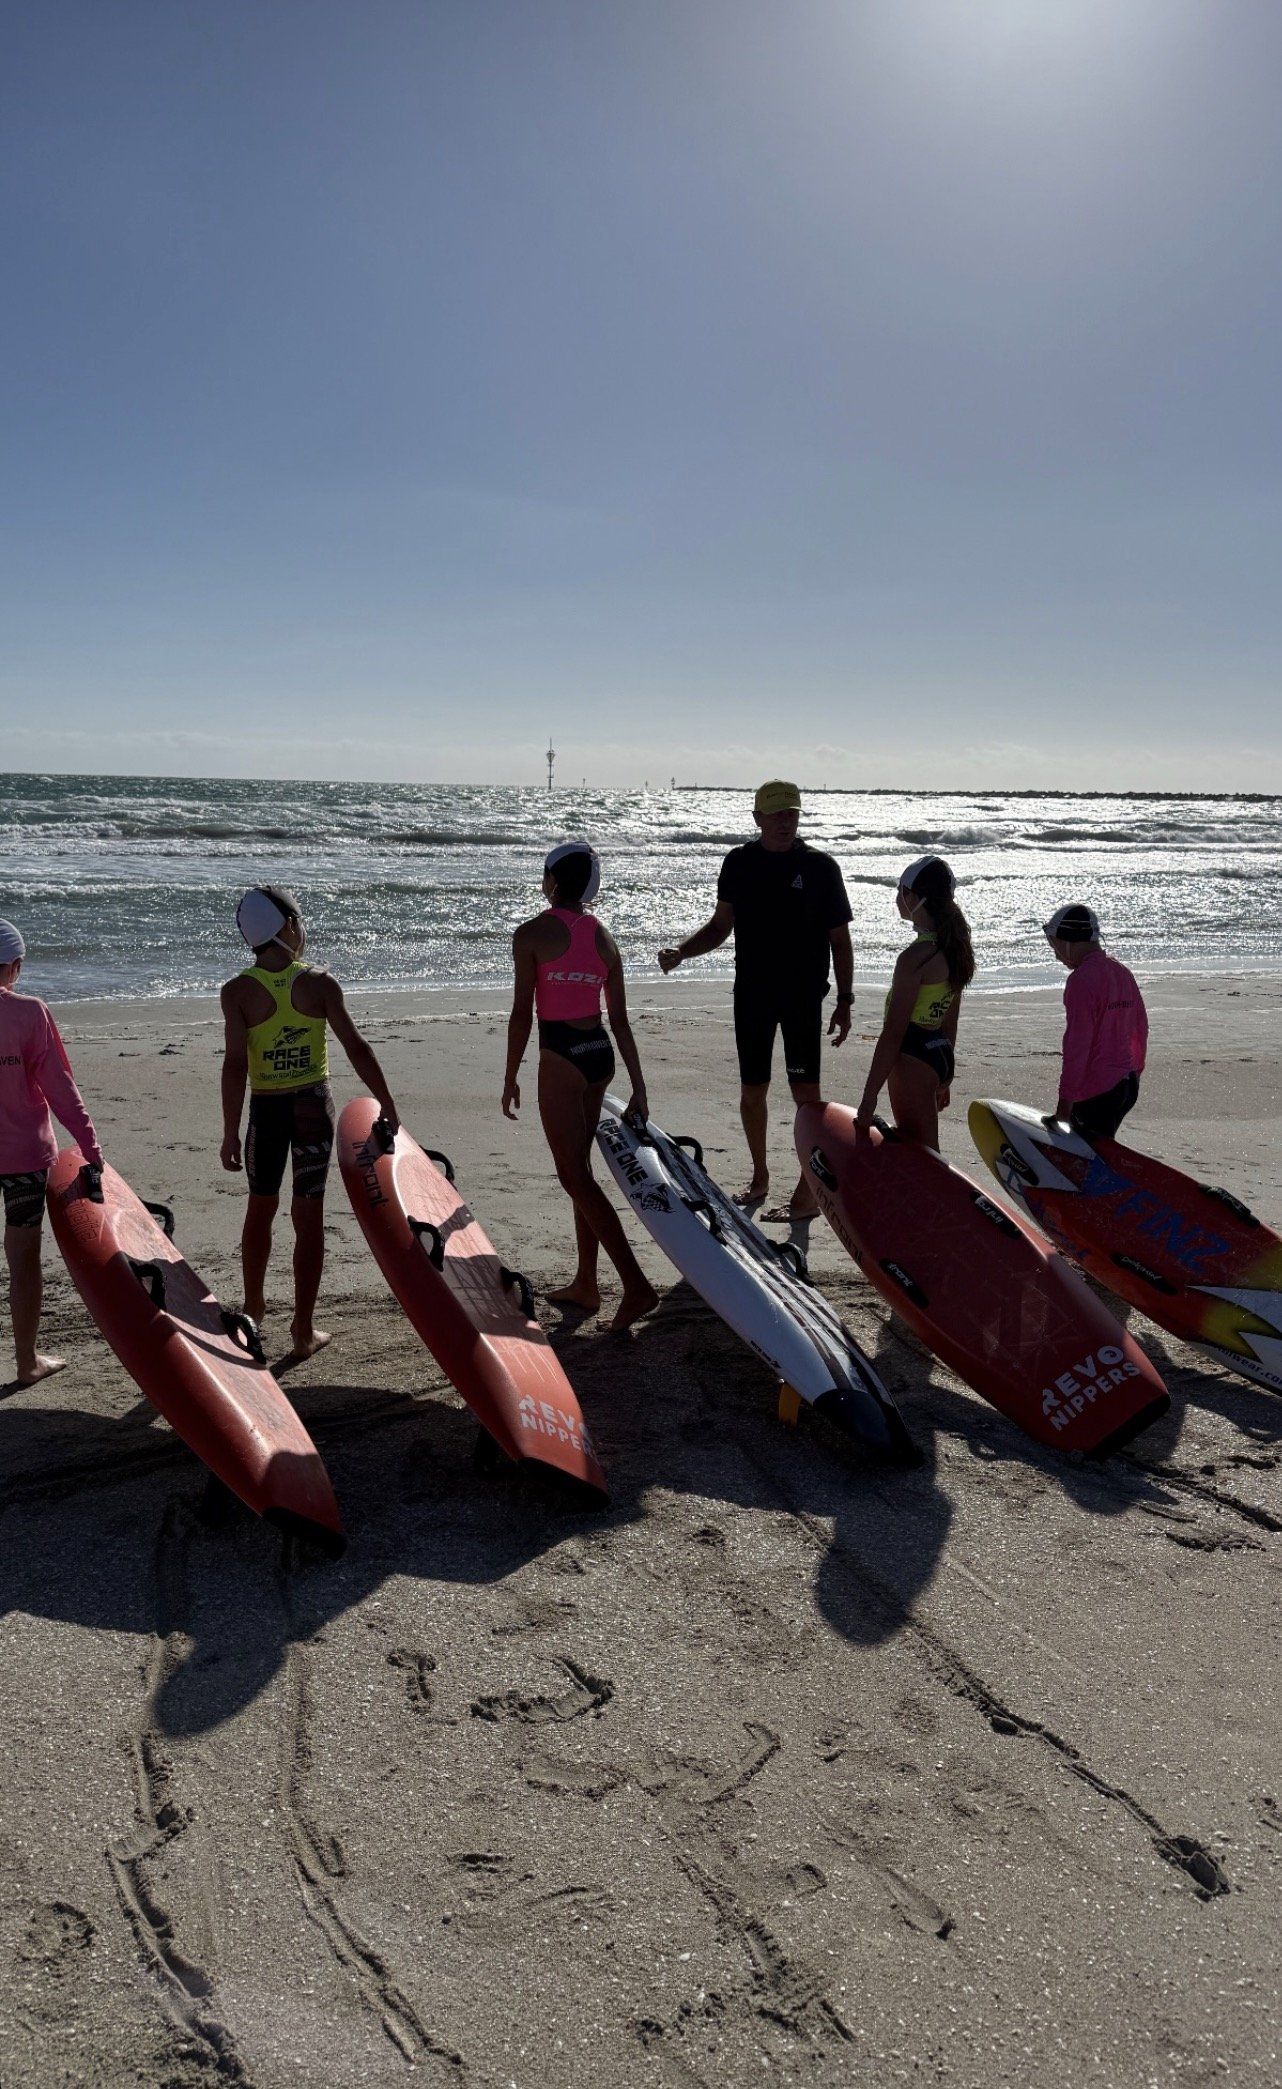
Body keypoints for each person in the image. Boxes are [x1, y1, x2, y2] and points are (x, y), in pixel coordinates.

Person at [658, 780, 853, 1219]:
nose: (786, 821)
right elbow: (719, 925)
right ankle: (760, 1175)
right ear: (757, 818)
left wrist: (845, 998)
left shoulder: (820, 867)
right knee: (753, 1091)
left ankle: (807, 1192)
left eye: (793, 813)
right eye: (777, 813)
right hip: (752, 995)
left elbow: (840, 940)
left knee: (807, 1096)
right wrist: (683, 951)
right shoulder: (740, 863)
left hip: (803, 997)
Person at [220, 885, 399, 1361]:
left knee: (260, 1208)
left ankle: (254, 1308)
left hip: (266, 1112)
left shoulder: (237, 991)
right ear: (288, 928)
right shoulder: (319, 983)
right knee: (308, 1217)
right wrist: (386, 1101)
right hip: (311, 1109)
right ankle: (303, 1328)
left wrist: (229, 1131)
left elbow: (235, 1064)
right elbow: (357, 1047)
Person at [503, 843, 658, 1332]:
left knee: (574, 1175)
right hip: (600, 1055)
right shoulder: (604, 937)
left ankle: (635, 1285)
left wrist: (509, 1075)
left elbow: (521, 1014)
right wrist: (639, 1087)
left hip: (561, 1058)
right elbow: (622, 1020)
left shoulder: (530, 934)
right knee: (582, 1172)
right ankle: (586, 1283)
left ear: (551, 880)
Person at [0, 917, 104, 1385]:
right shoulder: (29, 1012)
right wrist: (89, 1147)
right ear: (15, 965)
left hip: (22, 1155)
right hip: (24, 1158)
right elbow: (60, 1087)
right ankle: (26, 1363)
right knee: (23, 1260)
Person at [855, 856, 973, 1148]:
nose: (897, 897)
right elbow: (950, 1019)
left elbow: (893, 1034)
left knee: (923, 1153)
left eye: (900, 890)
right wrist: (944, 1076)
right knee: (921, 1147)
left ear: (912, 897)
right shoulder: (955, 948)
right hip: (938, 1052)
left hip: (912, 1056)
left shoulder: (914, 959)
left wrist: (869, 1099)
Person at [1044, 903, 1147, 1139]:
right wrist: (1136, 1072)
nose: (1056, 954)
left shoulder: (1081, 981)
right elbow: (1140, 1029)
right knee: (1101, 1147)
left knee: (1086, 1157)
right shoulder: (1121, 972)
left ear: (1069, 940)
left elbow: (1077, 1046)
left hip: (1098, 1092)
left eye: (1055, 945)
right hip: (1127, 1086)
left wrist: (1064, 1106)